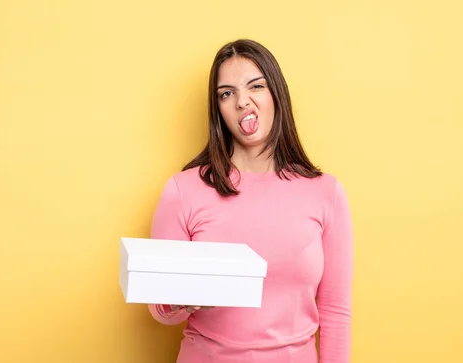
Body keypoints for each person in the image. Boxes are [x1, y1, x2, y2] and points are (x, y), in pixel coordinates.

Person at [148, 39, 353, 363]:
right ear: (218, 109)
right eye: (226, 93)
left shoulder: (325, 193)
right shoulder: (183, 191)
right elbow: (159, 308)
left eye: (255, 86)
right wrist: (180, 300)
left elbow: (335, 311)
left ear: (276, 94)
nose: (242, 101)